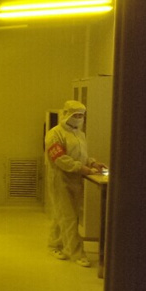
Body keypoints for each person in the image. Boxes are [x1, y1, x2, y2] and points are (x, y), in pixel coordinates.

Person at [44, 100, 106, 267]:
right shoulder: (54, 134)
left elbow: (81, 155)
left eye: (81, 116)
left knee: (64, 214)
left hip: (76, 179)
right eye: (75, 115)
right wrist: (81, 168)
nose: (78, 118)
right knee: (70, 217)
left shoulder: (79, 133)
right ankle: (77, 253)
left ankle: (54, 245)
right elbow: (60, 159)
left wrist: (92, 163)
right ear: (66, 114)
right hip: (60, 179)